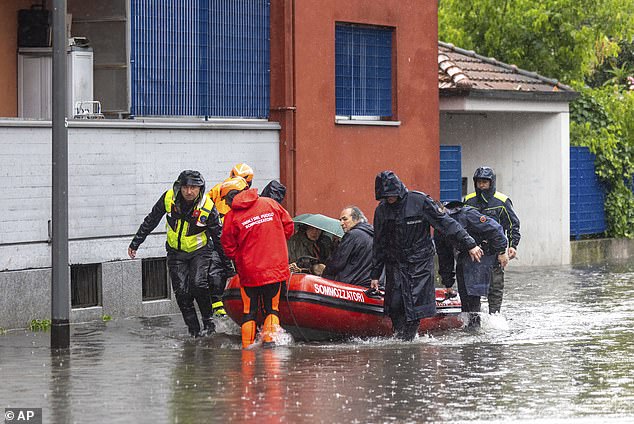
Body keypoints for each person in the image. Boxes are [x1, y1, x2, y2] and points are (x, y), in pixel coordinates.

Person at [370, 171, 483, 341]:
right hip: (395, 264)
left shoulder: (419, 202)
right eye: (386, 197)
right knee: (394, 304)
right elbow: (379, 243)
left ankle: (407, 342)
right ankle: (400, 338)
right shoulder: (382, 211)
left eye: (392, 195)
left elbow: (446, 224)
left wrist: (470, 244)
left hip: (419, 264)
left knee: (415, 306)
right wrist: (375, 274)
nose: (390, 199)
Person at [128, 170, 226, 337]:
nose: (189, 192)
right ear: (179, 187)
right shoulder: (168, 198)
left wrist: (228, 264)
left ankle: (209, 325)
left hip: (200, 251)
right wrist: (136, 242)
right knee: (181, 292)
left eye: (194, 188)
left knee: (198, 284)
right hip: (176, 252)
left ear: (200, 188)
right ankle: (194, 332)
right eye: (185, 187)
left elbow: (218, 236)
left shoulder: (207, 206)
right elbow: (152, 219)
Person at [219, 177, 295, 349]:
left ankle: (247, 348)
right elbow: (289, 227)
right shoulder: (270, 204)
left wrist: (241, 258)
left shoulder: (231, 217)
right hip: (275, 269)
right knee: (272, 308)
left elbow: (228, 247)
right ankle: (269, 343)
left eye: (226, 200)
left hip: (249, 272)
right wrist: (275, 244)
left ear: (231, 197)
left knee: (249, 310)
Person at [435, 201, 509, 328]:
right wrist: (448, 283)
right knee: (466, 294)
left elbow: (495, 229)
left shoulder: (466, 215)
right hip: (466, 256)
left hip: (486, 252)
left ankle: (492, 321)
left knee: (487, 290)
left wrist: (501, 251)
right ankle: (472, 325)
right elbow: (445, 256)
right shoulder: (439, 228)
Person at [464, 166, 521, 314]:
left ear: (491, 182)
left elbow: (513, 224)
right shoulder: (468, 201)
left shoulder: (502, 201)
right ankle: (473, 321)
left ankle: (494, 317)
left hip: (496, 252)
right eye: (479, 182)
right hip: (475, 252)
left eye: (485, 182)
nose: (482, 185)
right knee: (473, 290)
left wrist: (513, 245)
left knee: (495, 288)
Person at [206, 163, 254, 317]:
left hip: (236, 236)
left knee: (235, 269)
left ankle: (239, 301)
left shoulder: (246, 194)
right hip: (219, 235)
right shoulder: (219, 189)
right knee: (216, 269)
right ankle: (218, 304)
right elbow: (205, 203)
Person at [322, 206, 374, 287]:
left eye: (345, 219)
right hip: (370, 286)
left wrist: (323, 275)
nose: (341, 223)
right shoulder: (374, 235)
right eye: (340, 220)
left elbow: (337, 263)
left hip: (350, 285)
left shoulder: (352, 235)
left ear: (356, 219)